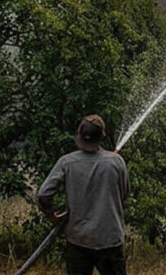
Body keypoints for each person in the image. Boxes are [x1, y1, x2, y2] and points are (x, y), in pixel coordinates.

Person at [38, 115, 130, 275]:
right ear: (102, 136)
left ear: (79, 135)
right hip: (110, 239)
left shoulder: (66, 162)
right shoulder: (116, 162)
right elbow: (125, 194)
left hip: (78, 240)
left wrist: (51, 215)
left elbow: (43, 195)